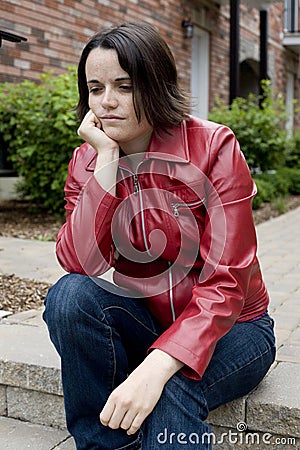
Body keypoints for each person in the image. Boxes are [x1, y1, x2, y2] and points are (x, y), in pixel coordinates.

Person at [43, 22, 276, 450]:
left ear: (154, 85)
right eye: (95, 89)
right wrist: (106, 164)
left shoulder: (214, 147)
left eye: (125, 86)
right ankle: (102, 443)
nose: (107, 102)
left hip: (236, 328)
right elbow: (80, 263)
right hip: (148, 320)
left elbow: (226, 283)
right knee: (69, 296)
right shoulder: (88, 159)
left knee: (171, 387)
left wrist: (156, 368)